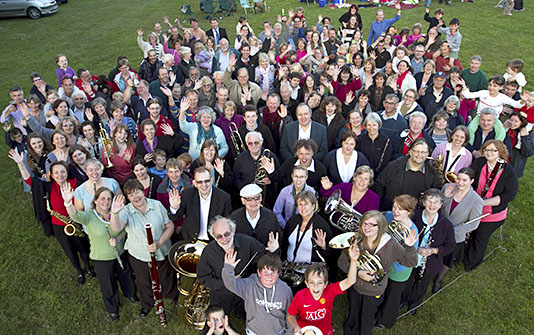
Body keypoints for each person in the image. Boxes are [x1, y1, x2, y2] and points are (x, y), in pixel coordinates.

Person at [9, 155, 93, 284]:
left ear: (67, 172)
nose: (60, 175)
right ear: (52, 175)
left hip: (76, 221)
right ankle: (79, 270)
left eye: (63, 172)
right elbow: (30, 181)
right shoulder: (48, 186)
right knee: (68, 248)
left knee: (82, 245)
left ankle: (88, 266)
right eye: (56, 173)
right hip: (59, 223)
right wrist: (21, 164)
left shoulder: (76, 184)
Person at [61, 186, 138, 321]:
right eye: (102, 198)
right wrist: (68, 202)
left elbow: (124, 230)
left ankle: (130, 293)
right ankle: (112, 308)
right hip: (101, 258)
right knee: (108, 283)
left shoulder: (116, 212)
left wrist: (118, 239)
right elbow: (75, 215)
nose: (106, 201)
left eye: (109, 199)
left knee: (125, 274)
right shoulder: (89, 215)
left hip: (119, 253)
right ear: (95, 200)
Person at [340, 210, 417, 335]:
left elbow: (410, 262)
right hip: (355, 284)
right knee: (353, 311)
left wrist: (409, 247)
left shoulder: (390, 244)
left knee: (367, 317)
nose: (367, 227)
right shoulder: (356, 239)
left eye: (372, 224)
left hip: (374, 290)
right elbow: (342, 262)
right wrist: (359, 272)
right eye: (364, 223)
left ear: (380, 227)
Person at [109, 179, 177, 316]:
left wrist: (158, 243)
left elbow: (170, 226)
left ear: (143, 191)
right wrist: (115, 213)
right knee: (143, 280)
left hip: (161, 249)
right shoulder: (126, 211)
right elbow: (116, 228)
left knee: (166, 275)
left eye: (138, 192)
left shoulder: (157, 205)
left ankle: (171, 295)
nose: (136, 197)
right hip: (138, 254)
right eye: (131, 195)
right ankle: (147, 303)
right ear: (128, 198)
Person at [197, 216, 279, 318]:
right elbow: (203, 277)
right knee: (215, 328)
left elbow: (268, 261)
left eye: (227, 234)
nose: (224, 239)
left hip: (245, 294)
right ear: (214, 237)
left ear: (233, 231)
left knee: (257, 321)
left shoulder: (248, 242)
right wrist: (226, 283)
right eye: (219, 236)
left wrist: (273, 251)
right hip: (221, 294)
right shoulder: (209, 251)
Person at [464, 140, 518, 271]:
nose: (489, 153)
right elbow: (469, 176)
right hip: (475, 207)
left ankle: (472, 263)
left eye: (493, 150)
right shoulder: (480, 163)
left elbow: (509, 195)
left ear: (500, 152)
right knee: (469, 232)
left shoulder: (508, 172)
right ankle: (463, 255)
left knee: (480, 237)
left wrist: (483, 203)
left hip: (492, 213)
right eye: (486, 150)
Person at [403, 189, 455, 314]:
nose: (432, 205)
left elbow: (450, 245)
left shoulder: (446, 224)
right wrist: (415, 249)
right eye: (429, 201)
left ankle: (414, 304)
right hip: (411, 256)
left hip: (430, 261)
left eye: (436, 202)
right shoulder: (413, 216)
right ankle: (402, 299)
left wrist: (434, 250)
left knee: (422, 284)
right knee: (407, 280)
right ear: (424, 202)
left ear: (441, 205)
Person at [287, 248, 359, 335]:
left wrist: (354, 260)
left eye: (320, 283)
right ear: (307, 284)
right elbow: (290, 315)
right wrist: (295, 326)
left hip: (325, 331)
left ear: (325, 284)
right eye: (312, 283)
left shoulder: (330, 291)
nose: (316, 286)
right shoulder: (300, 296)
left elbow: (350, 281)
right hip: (305, 331)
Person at [433, 167, 483, 293]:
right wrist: (445, 196)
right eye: (459, 179)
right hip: (438, 229)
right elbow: (438, 207)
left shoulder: (477, 201)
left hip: (456, 236)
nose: (460, 183)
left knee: (447, 260)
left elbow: (473, 225)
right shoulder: (448, 188)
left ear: (472, 181)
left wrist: (451, 231)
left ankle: (439, 280)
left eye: (464, 180)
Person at [375, 194, 419, 329]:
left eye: (401, 209)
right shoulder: (388, 216)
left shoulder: (412, 231)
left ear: (409, 212)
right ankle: (376, 313)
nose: (396, 211)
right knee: (380, 291)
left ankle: (386, 321)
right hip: (383, 261)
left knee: (392, 297)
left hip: (398, 269)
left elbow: (408, 259)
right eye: (395, 207)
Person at [222, 253, 293, 335]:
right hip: (254, 331)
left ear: (278, 274)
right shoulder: (249, 285)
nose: (269, 277)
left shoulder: (285, 290)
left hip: (277, 332)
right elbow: (230, 284)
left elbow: (290, 313)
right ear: (259, 273)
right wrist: (228, 268)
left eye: (273, 273)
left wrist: (289, 333)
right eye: (265, 272)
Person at [375, 138, 442, 211]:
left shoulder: (431, 172)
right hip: (390, 211)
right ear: (410, 152)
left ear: (427, 154)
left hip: (414, 216)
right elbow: (379, 185)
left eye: (423, 152)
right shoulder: (394, 166)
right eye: (416, 151)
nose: (419, 155)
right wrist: (380, 207)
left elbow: (436, 192)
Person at [169, 166, 232, 241]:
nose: (204, 185)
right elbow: (176, 217)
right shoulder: (187, 195)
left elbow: (227, 223)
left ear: (212, 180)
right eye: (200, 182)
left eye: (207, 181)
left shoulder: (224, 198)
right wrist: (174, 207)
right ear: (194, 183)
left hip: (213, 241)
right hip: (190, 239)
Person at [282, 191, 332, 273]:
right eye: (300, 204)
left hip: (309, 274)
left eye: (306, 204)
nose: (303, 207)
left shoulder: (322, 226)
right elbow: (284, 243)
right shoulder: (293, 220)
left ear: (313, 206)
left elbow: (331, 255)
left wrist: (324, 247)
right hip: (289, 271)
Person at [507, 112, 534, 178]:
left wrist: (524, 137)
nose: (512, 123)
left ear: (521, 123)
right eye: (511, 120)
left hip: (514, 165)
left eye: (516, 121)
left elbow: (528, 152)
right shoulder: (505, 129)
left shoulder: (526, 133)